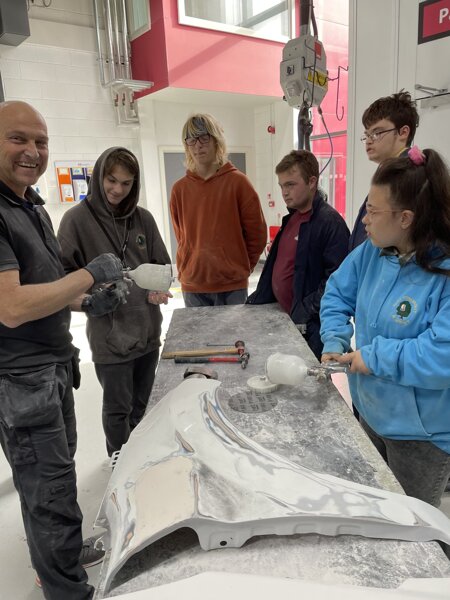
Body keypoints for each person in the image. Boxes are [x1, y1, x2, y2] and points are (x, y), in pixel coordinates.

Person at [0, 101, 125, 599]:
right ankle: (66, 590)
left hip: (51, 369)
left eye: (41, 142)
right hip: (22, 381)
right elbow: (10, 307)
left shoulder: (28, 205)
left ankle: (64, 557)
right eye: (18, 139)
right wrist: (90, 273)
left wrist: (84, 299)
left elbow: (42, 288)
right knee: (47, 491)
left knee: (57, 478)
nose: (32, 151)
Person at [320, 146, 450, 507]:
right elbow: (336, 294)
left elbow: (442, 357)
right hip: (372, 412)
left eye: (373, 211)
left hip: (421, 435)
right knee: (376, 507)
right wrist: (334, 337)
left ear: (406, 218)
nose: (364, 219)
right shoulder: (372, 251)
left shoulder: (443, 273)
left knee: (416, 532)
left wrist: (374, 358)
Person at [58, 147, 172, 458]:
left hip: (147, 334)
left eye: (126, 183)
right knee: (118, 410)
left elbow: (162, 268)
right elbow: (62, 283)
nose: (117, 190)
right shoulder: (75, 222)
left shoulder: (143, 219)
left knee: (143, 406)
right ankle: (119, 462)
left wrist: (156, 291)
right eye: (111, 180)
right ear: (98, 177)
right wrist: (89, 301)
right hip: (111, 340)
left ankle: (142, 458)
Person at [247, 150, 349, 360]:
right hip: (286, 319)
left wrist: (304, 310)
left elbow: (337, 282)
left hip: (309, 327)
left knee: (310, 386)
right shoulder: (292, 218)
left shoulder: (330, 224)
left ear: (312, 182)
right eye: (282, 186)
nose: (284, 192)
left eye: (291, 184)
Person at [170, 113, 267, 306]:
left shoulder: (239, 183)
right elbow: (182, 237)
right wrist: (189, 265)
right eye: (191, 139)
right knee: (198, 338)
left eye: (204, 137)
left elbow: (257, 234)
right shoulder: (179, 189)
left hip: (232, 287)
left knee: (232, 338)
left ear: (216, 141)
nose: (198, 145)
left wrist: (239, 268)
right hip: (193, 285)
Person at [348, 90, 419, 251]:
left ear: (403, 132)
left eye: (377, 133)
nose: (368, 141)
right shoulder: (388, 175)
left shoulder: (411, 177)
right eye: (367, 135)